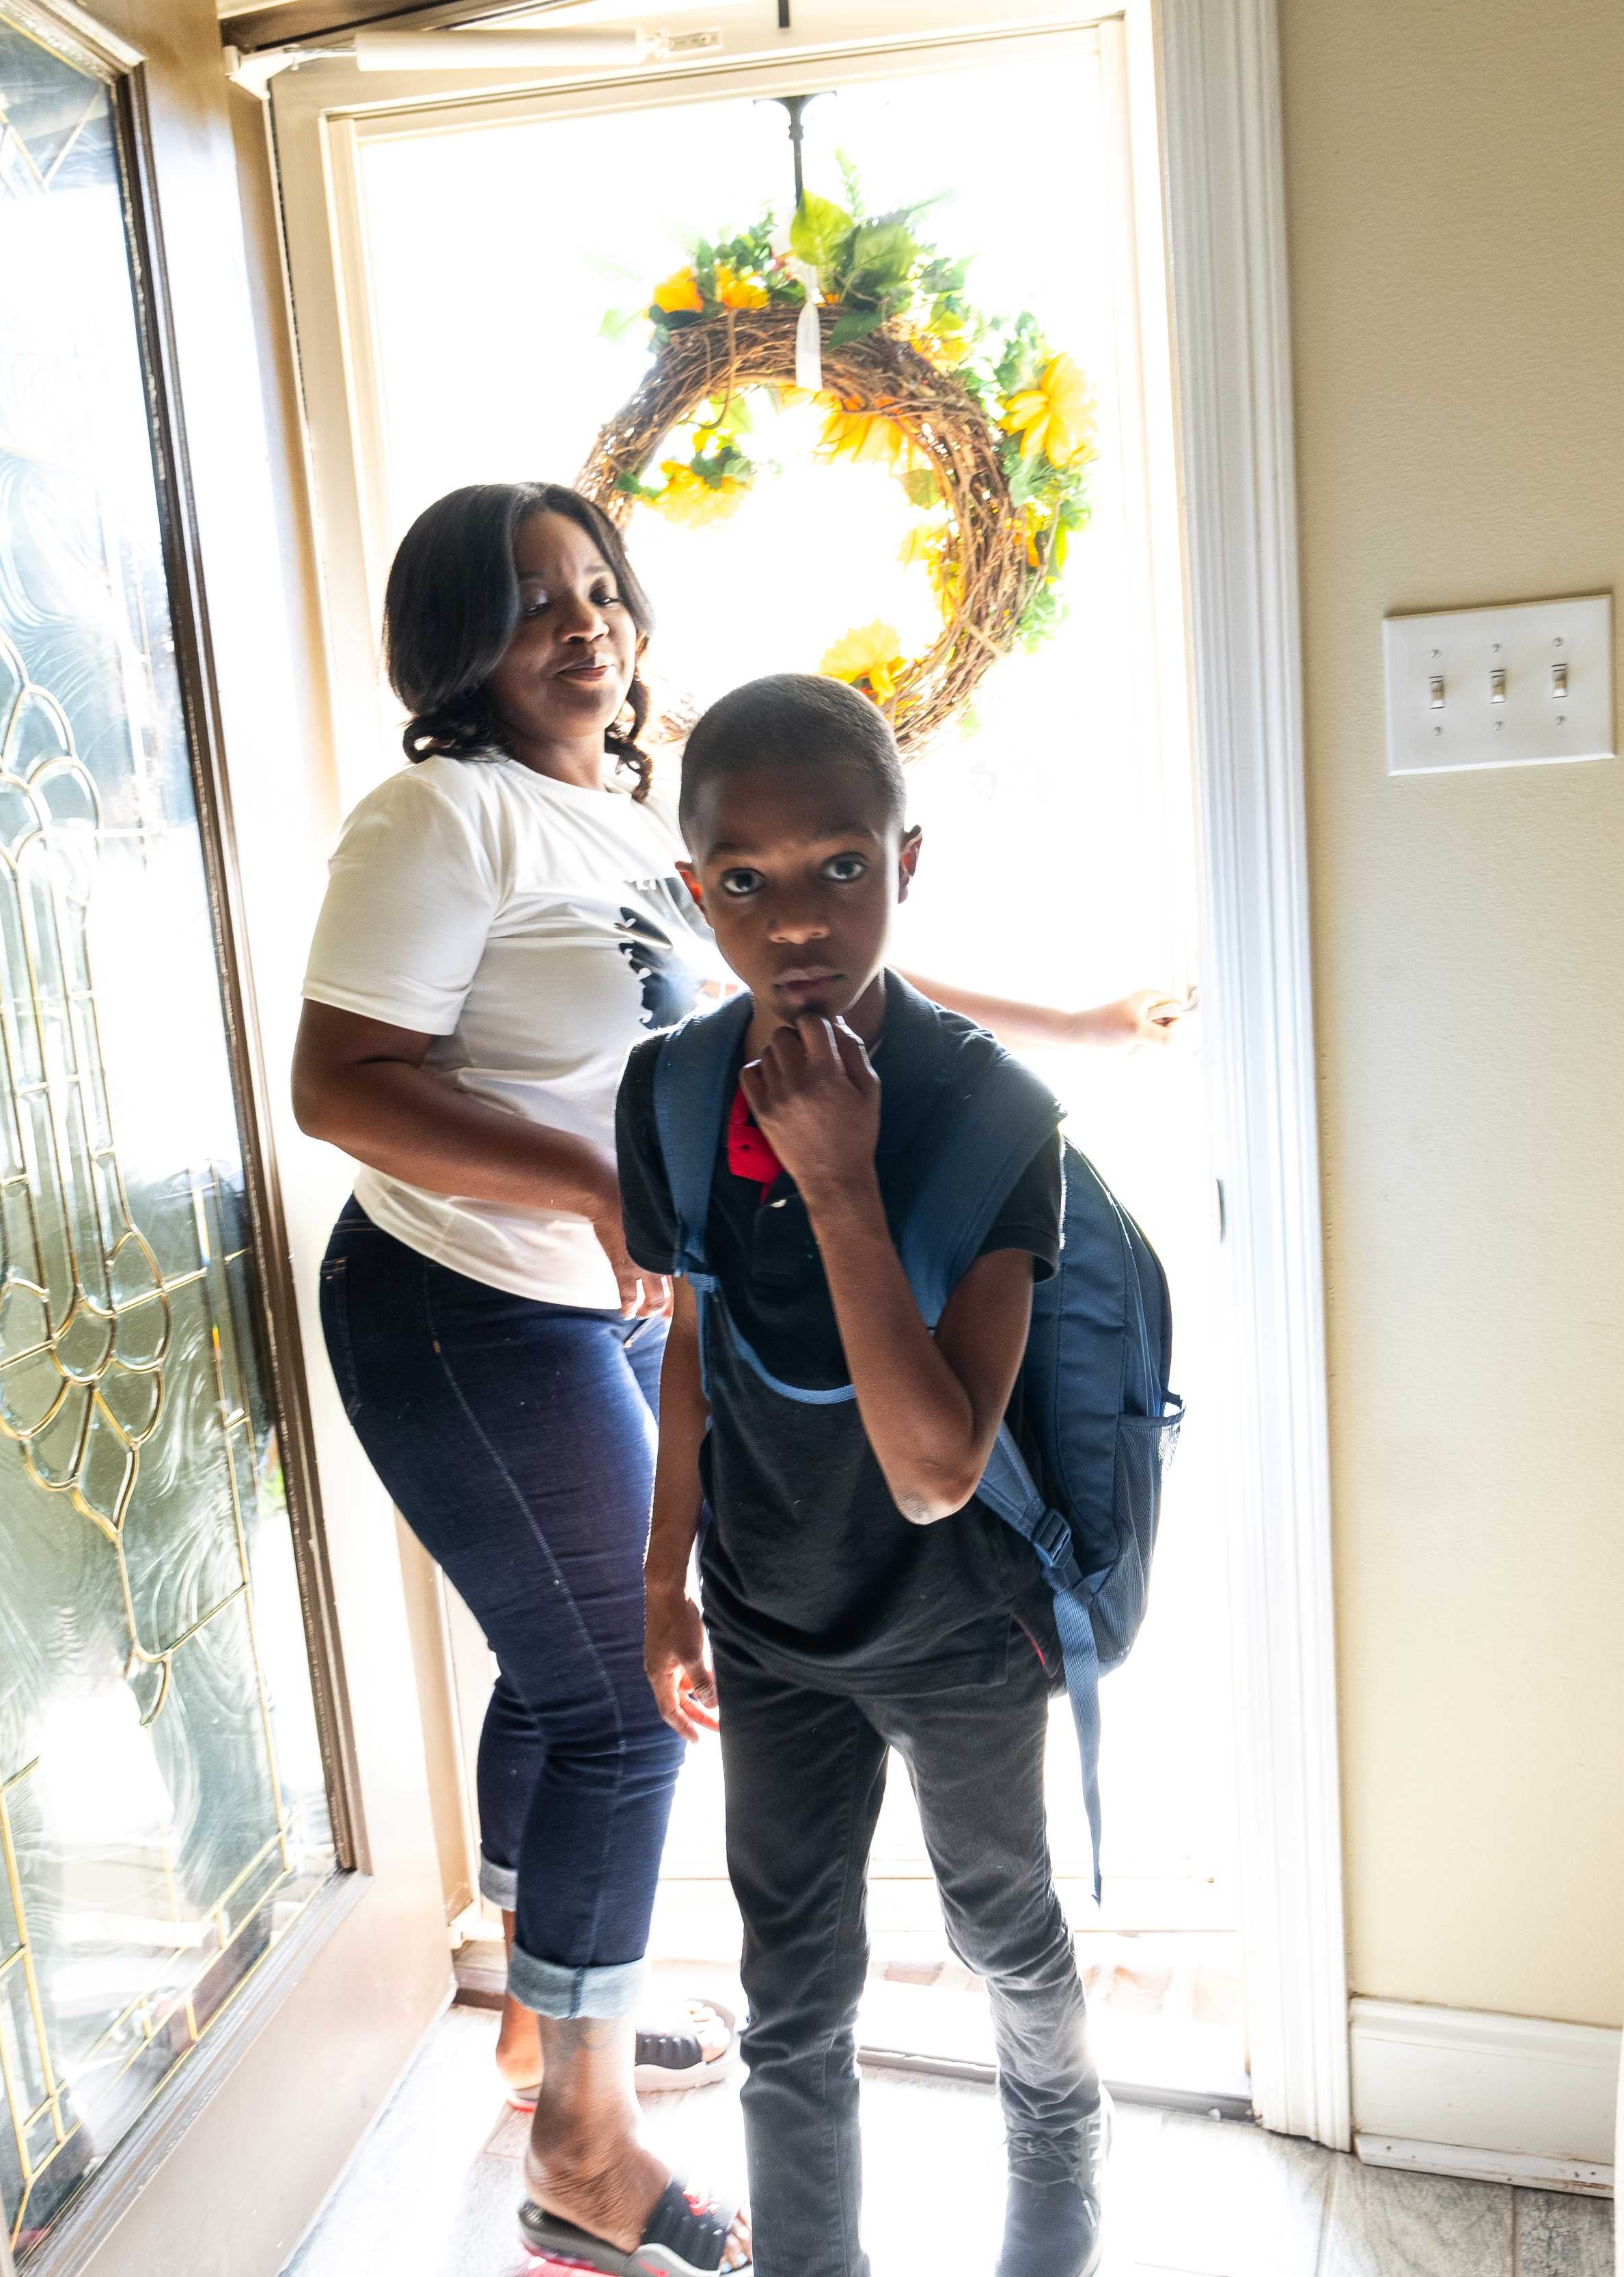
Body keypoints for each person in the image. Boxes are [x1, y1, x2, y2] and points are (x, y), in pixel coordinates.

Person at [294, 484, 1174, 2276]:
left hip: (718, 1401)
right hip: (477, 1308)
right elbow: (346, 1085)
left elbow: (814, 952)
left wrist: (1057, 1034)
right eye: (533, 600)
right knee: (630, 1721)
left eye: (599, 586)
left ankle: (570, 2020)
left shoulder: (614, 820)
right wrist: (614, 1201)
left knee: (605, 1713)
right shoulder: (444, 814)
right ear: (451, 639)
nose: (586, 621)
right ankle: (584, 2146)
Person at [617, 674, 1105, 2277]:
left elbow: (931, 1468)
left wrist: (837, 1177)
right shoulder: (677, 1089)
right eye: (743, 880)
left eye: (841, 864)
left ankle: (1056, 2150)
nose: (797, 919)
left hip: (958, 1622)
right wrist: (664, 1576)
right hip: (770, 1622)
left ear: (909, 857)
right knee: (792, 1991)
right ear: (696, 891)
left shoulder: (991, 1115)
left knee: (997, 1922)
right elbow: (693, 1338)